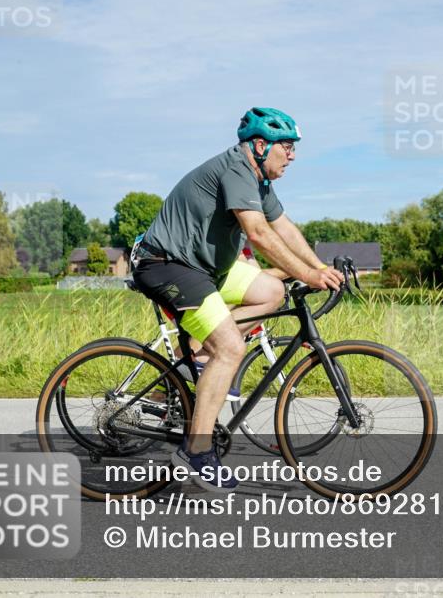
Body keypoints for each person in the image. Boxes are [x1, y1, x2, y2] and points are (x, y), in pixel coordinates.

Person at [132, 107, 345, 492]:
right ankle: (195, 453)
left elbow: (284, 227)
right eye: (287, 147)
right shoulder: (237, 169)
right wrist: (308, 275)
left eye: (294, 147)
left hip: (204, 268)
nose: (293, 155)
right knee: (230, 347)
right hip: (167, 266)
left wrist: (320, 268)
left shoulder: (259, 180)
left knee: (271, 290)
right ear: (260, 145)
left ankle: (198, 351)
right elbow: (259, 235)